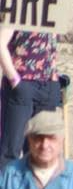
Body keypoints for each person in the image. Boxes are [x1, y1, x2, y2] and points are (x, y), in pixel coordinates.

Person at [0, 28, 61, 168]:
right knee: (11, 149)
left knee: (41, 149)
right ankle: (7, 188)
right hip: (22, 83)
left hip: (48, 84)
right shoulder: (19, 8)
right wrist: (15, 80)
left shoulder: (54, 10)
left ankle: (34, 188)